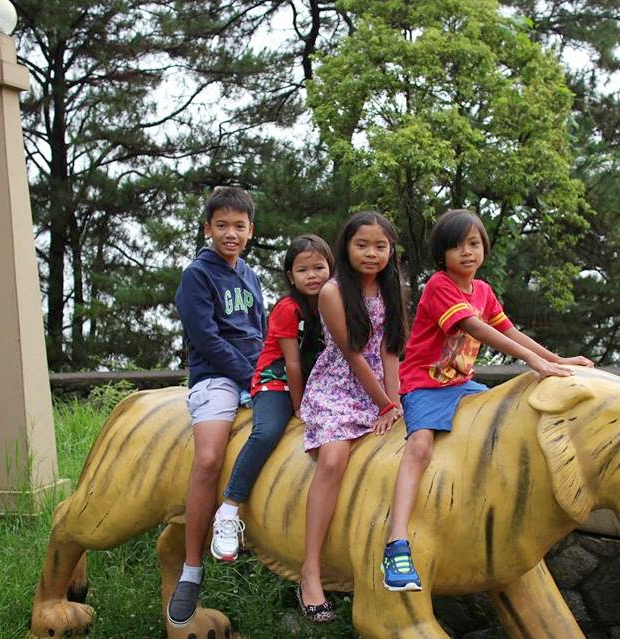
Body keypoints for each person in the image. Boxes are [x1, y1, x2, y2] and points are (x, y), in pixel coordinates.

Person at [381, 208, 595, 593]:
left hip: (462, 385)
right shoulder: (439, 286)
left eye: (474, 243)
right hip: (424, 385)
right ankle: (396, 542)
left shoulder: (483, 291)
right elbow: (474, 327)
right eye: (457, 246)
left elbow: (508, 329)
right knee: (420, 447)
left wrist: (556, 359)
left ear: (484, 248)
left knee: (507, 424)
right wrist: (532, 362)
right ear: (442, 254)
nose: (467, 252)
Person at [297, 211, 407, 622]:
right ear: (346, 246)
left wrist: (395, 403)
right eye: (362, 245)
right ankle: (310, 572)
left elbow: (390, 350)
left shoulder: (392, 288)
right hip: (339, 386)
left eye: (380, 246)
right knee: (333, 459)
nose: (371, 253)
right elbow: (354, 354)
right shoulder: (333, 291)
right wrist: (384, 404)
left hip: (381, 388)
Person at [168, 186, 266, 628]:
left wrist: (270, 373)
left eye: (239, 226)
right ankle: (191, 569)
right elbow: (205, 338)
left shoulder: (249, 274)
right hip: (217, 377)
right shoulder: (197, 275)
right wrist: (249, 377)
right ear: (207, 228)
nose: (231, 233)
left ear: (250, 231)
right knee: (208, 458)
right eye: (222, 225)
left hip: (258, 372)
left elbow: (261, 330)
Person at [211, 234, 334, 562]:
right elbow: (292, 364)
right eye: (303, 270)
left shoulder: (334, 303)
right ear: (291, 276)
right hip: (277, 381)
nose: (312, 276)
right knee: (267, 432)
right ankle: (229, 507)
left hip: (318, 381)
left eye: (319, 268)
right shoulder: (288, 308)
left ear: (331, 269)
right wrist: (299, 407)